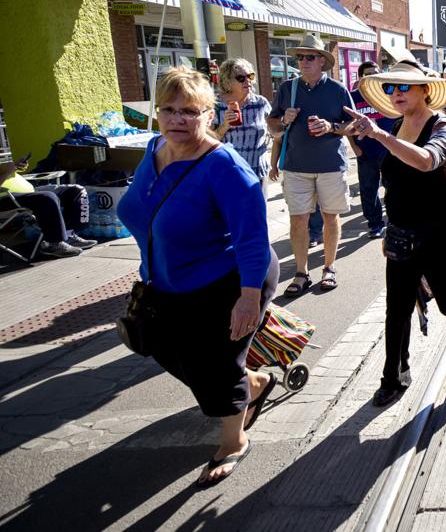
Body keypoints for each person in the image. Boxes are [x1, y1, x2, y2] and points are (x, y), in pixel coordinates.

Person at [116, 66, 279, 487]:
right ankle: (254, 382)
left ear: (211, 113)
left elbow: (253, 241)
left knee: (216, 364)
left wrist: (247, 299)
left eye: (189, 111)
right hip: (167, 283)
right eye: (168, 109)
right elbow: (144, 212)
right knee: (164, 348)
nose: (177, 119)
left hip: (228, 280)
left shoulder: (224, 166)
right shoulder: (153, 150)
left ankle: (234, 439)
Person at [349, 57, 446, 407]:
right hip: (402, 233)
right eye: (390, 87)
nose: (395, 93)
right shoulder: (395, 125)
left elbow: (426, 160)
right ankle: (394, 376)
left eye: (404, 86)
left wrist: (378, 135)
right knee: (397, 308)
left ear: (425, 90)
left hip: (441, 233)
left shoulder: (443, 126)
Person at [266, 33, 357, 295]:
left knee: (331, 218)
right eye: (301, 57)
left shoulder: (337, 90)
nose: (304, 61)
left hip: (330, 166)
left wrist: (332, 126)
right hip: (296, 167)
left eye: (310, 57)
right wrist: (284, 119)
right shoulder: (287, 88)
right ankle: (301, 272)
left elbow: (353, 125)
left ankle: (329, 267)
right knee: (298, 221)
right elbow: (272, 126)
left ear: (322, 61)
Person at [1, 157, 94, 257]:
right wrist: (7, 172)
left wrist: (16, 167)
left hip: (28, 191)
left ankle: (69, 235)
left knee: (76, 190)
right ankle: (53, 244)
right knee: (47, 197)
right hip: (5, 197)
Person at [212, 58, 272, 198]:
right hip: (229, 172)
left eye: (250, 76)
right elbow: (208, 140)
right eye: (241, 78)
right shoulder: (217, 105)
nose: (248, 81)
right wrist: (224, 126)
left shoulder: (260, 103)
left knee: (257, 217)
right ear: (227, 81)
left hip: (257, 172)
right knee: (232, 218)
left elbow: (276, 130)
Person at [347, 60, 394, 239]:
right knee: (368, 189)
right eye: (368, 74)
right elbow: (347, 125)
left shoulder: (386, 93)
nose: (372, 76)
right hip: (365, 151)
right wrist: (355, 148)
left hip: (388, 149)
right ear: (361, 77)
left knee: (393, 186)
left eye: (376, 72)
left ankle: (394, 220)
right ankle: (375, 224)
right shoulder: (353, 97)